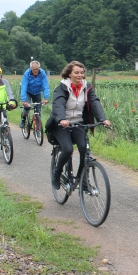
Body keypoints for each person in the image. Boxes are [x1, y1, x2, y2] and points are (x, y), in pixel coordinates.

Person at [50, 61, 111, 189]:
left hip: (79, 122)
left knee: (85, 149)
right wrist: (61, 119)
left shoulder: (87, 87)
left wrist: (102, 119)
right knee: (67, 149)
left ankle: (83, 181)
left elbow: (94, 102)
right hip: (62, 123)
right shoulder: (62, 87)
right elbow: (58, 104)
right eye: (76, 72)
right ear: (69, 74)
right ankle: (57, 173)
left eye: (82, 73)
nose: (79, 75)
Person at [19, 60, 50, 128]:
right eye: (34, 69)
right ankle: (23, 119)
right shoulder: (27, 74)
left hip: (37, 92)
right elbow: (23, 87)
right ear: (31, 69)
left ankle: (38, 127)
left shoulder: (42, 73)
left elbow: (46, 85)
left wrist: (46, 98)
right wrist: (24, 100)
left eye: (37, 69)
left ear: (39, 68)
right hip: (28, 92)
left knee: (38, 110)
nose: (35, 71)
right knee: (27, 107)